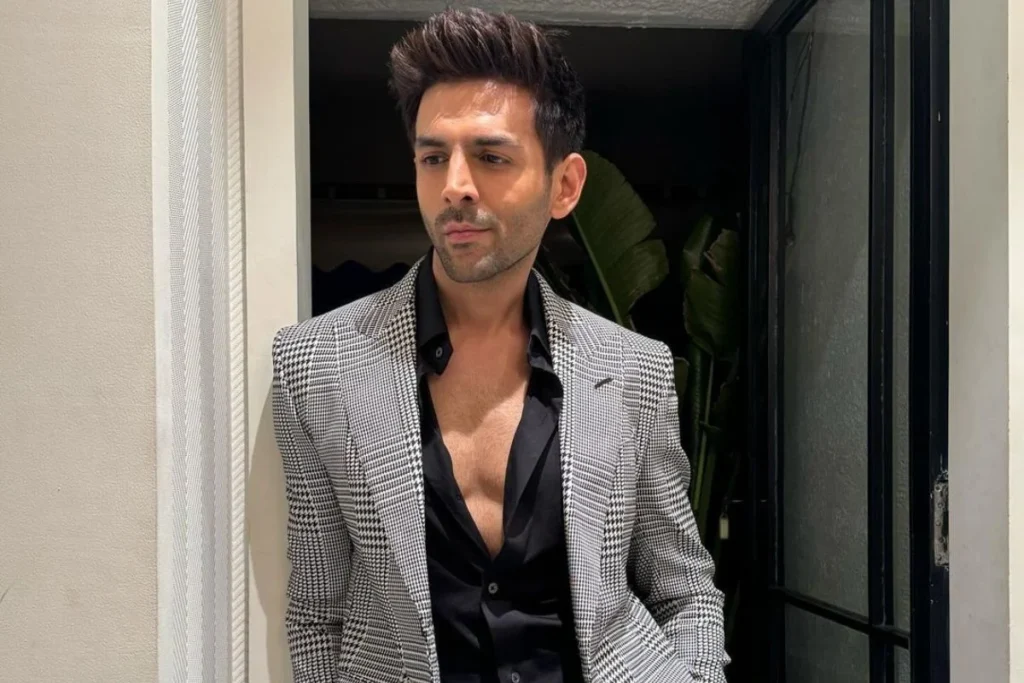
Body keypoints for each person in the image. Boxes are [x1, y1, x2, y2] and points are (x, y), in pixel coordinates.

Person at [272, 7, 727, 682]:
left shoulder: (634, 370)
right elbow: (317, 609)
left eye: (490, 156)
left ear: (564, 186)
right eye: (433, 157)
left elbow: (682, 589)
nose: (455, 185)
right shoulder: (316, 365)